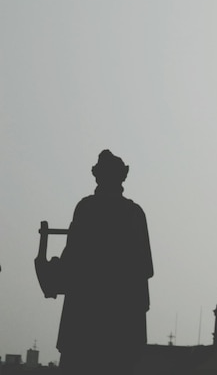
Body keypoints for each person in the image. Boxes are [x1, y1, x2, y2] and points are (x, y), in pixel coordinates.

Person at [57, 150, 153, 375]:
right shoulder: (134, 213)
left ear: (98, 177)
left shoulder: (86, 208)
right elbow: (145, 268)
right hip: (122, 324)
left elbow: (70, 260)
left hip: (84, 321)